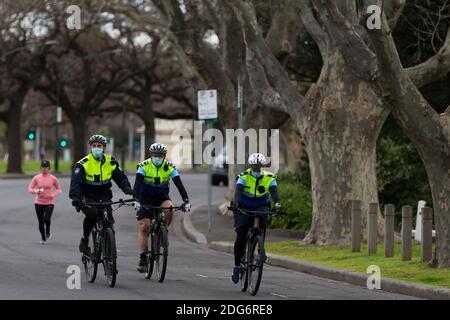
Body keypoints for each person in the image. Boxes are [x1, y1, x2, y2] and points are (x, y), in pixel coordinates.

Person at [69, 134, 134, 255]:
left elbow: (120, 177)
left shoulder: (111, 162)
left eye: (99, 146)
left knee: (108, 221)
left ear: (104, 148)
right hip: (87, 196)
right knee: (92, 214)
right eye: (94, 146)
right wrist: (75, 197)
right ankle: (85, 240)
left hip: (104, 195)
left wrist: (128, 189)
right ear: (90, 147)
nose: (97, 148)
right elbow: (75, 182)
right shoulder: (82, 164)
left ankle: (110, 255)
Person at [133, 142, 191, 273]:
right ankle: (143, 258)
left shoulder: (169, 167)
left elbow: (179, 185)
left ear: (164, 156)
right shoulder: (144, 166)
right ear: (151, 155)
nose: (157, 158)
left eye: (160, 155)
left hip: (161, 198)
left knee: (170, 208)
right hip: (145, 199)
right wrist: (135, 200)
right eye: (155, 155)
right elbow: (136, 186)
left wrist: (186, 200)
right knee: (144, 227)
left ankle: (163, 231)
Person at [230, 153, 282, 284]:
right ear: (251, 166)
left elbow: (274, 193)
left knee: (263, 217)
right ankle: (237, 266)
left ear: (263, 167)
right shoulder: (243, 177)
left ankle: (260, 249)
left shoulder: (269, 177)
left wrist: (278, 205)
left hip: (260, 205)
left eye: (259, 167)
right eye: (254, 167)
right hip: (244, 206)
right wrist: (235, 204)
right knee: (241, 235)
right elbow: (238, 192)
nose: (257, 170)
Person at [27, 160, 61, 244]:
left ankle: (48, 230)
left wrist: (53, 195)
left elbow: (58, 189)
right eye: (43, 167)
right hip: (38, 202)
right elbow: (30, 189)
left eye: (46, 167)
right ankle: (43, 237)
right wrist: (36, 191)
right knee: (41, 221)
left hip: (49, 202)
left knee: (47, 219)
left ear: (49, 168)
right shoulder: (36, 178)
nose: (44, 169)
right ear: (40, 168)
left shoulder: (53, 178)